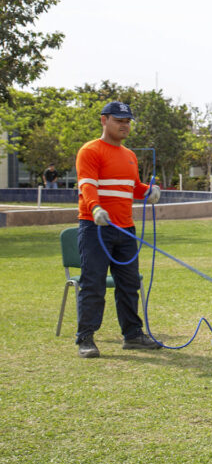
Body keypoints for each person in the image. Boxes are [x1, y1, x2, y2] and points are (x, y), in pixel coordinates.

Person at [74, 101, 162, 358]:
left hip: (126, 229)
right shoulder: (90, 151)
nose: (124, 125)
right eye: (119, 120)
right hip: (95, 226)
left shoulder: (130, 155)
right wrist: (95, 209)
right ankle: (85, 338)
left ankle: (133, 334)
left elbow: (132, 187)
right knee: (93, 283)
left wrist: (149, 192)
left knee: (129, 283)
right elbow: (87, 185)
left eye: (127, 121)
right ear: (104, 120)